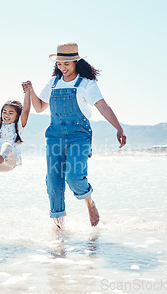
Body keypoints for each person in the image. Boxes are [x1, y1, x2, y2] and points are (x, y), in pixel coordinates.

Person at [24, 42, 127, 228]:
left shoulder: (87, 84)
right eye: (59, 64)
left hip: (79, 136)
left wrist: (118, 128)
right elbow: (39, 107)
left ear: (76, 62)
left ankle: (90, 203)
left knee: (74, 177)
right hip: (54, 136)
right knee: (53, 182)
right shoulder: (53, 83)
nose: (62, 68)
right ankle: (59, 234)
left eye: (66, 64)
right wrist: (30, 90)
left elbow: (103, 106)